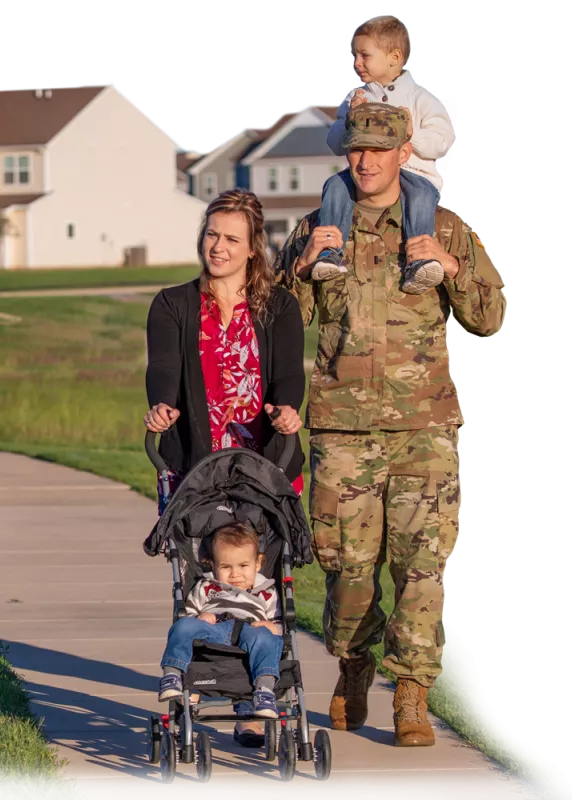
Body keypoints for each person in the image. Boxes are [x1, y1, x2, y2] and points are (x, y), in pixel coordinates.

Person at [273, 104, 506, 747]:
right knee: (346, 567)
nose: (367, 161)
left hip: (423, 429)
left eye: (380, 149)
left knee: (420, 566)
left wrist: (453, 270)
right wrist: (302, 266)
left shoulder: (444, 228)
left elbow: (489, 318)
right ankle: (353, 665)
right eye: (357, 150)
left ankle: (412, 694)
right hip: (343, 428)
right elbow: (279, 327)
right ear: (345, 152)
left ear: (405, 151)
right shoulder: (319, 226)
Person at [144, 187, 305, 747]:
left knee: (259, 578)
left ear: (253, 248)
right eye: (211, 234)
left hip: (265, 466)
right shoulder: (173, 304)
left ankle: (252, 700)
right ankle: (196, 681)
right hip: (197, 468)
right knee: (206, 578)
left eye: (231, 238)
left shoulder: (279, 306)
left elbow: (289, 375)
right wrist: (163, 405)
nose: (217, 246)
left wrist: (288, 411)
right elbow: (163, 368)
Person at [314, 14, 456, 295]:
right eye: (355, 55)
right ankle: (329, 253)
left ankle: (419, 261)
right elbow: (334, 143)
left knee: (420, 197)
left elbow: (442, 142)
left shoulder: (420, 99)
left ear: (395, 57)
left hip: (414, 174)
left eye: (364, 55)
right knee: (334, 186)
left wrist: (412, 134)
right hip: (366, 177)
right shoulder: (355, 99)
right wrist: (349, 120)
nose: (357, 63)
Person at [158, 521, 284, 718]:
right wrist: (199, 618)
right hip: (214, 629)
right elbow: (189, 613)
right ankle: (173, 674)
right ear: (213, 565)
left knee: (267, 638)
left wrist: (271, 627)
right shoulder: (207, 586)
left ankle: (264, 690)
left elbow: (279, 624)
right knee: (183, 626)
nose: (235, 574)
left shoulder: (266, 591)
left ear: (258, 564)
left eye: (243, 566)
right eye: (225, 566)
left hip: (250, 629)